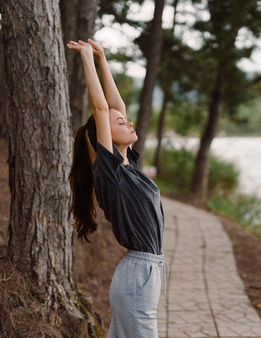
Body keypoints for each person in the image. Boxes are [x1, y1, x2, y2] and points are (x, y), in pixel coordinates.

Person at [67, 39, 168, 338]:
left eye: (126, 121)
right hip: (138, 273)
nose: (129, 121)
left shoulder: (129, 166)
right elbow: (101, 108)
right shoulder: (109, 172)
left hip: (147, 272)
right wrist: (86, 58)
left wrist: (103, 58)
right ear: (104, 136)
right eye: (121, 123)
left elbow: (115, 106)